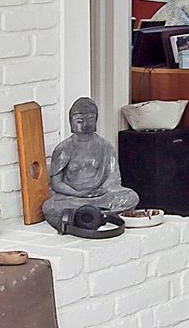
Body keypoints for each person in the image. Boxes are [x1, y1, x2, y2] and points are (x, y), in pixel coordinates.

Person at [42, 96, 138, 236]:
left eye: (90, 119)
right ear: (71, 122)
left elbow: (114, 180)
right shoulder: (64, 148)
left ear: (96, 121)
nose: (85, 125)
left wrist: (102, 191)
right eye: (79, 121)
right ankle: (99, 215)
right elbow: (56, 184)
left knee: (131, 197)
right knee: (50, 206)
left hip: (100, 196)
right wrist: (77, 193)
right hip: (72, 197)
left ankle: (85, 216)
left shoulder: (105, 146)